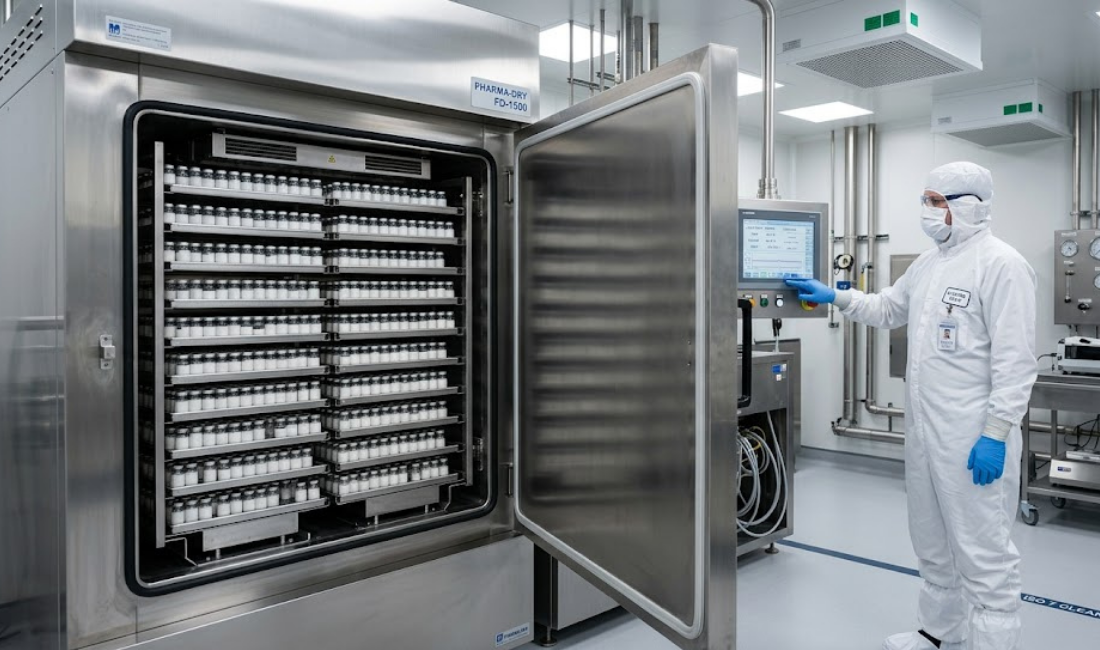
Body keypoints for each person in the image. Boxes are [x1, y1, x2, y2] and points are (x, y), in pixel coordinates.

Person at [786, 162, 1037, 650]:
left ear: (969, 205)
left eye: (936, 200)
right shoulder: (928, 264)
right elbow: (889, 308)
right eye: (925, 199)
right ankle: (939, 631)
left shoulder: (1002, 265)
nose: (927, 210)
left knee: (983, 551)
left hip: (973, 437)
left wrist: (995, 433)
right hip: (925, 434)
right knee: (931, 541)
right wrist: (837, 295)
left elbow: (1016, 363)